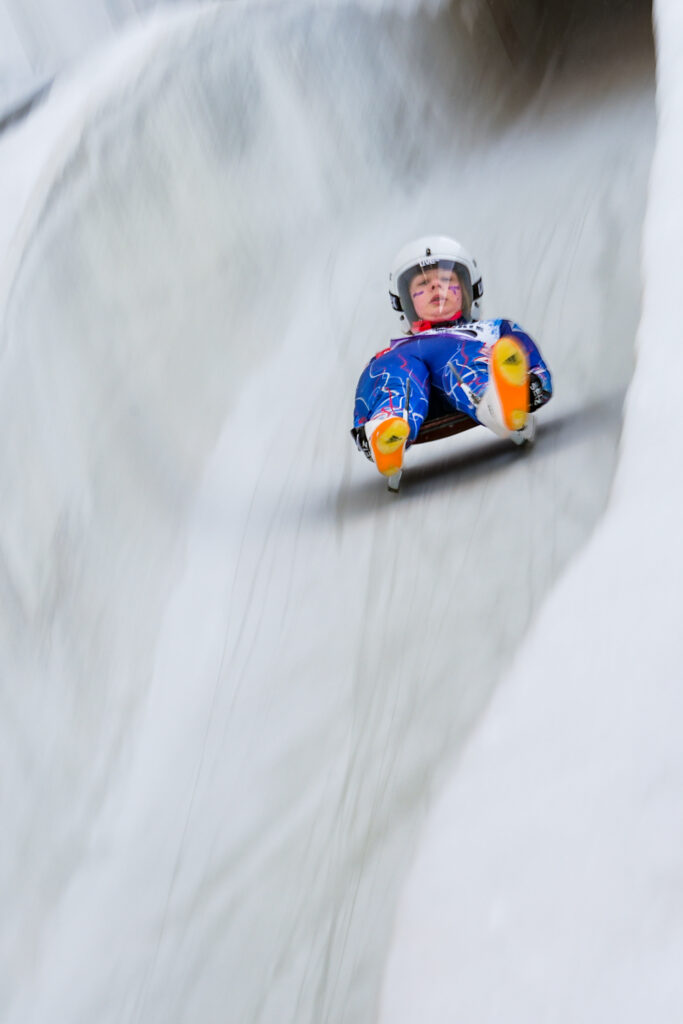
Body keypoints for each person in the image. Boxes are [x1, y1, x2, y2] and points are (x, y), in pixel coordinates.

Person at [351, 235, 552, 479]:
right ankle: (386, 429)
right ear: (404, 302)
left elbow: (533, 363)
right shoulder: (392, 353)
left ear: (468, 290)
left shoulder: (492, 330)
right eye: (422, 284)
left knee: (459, 356)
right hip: (408, 373)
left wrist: (532, 385)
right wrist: (364, 427)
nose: (436, 287)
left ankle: (500, 400)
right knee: (392, 371)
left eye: (447, 279)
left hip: (464, 361)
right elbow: (368, 392)